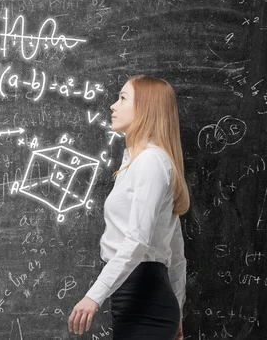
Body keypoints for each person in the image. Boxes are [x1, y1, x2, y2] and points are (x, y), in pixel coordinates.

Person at [67, 75, 189, 340]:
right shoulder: (141, 163)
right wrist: (177, 310)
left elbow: (138, 240)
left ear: (146, 108)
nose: (113, 105)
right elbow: (177, 253)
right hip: (135, 299)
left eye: (122, 98)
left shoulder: (151, 163)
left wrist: (93, 296)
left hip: (145, 296)